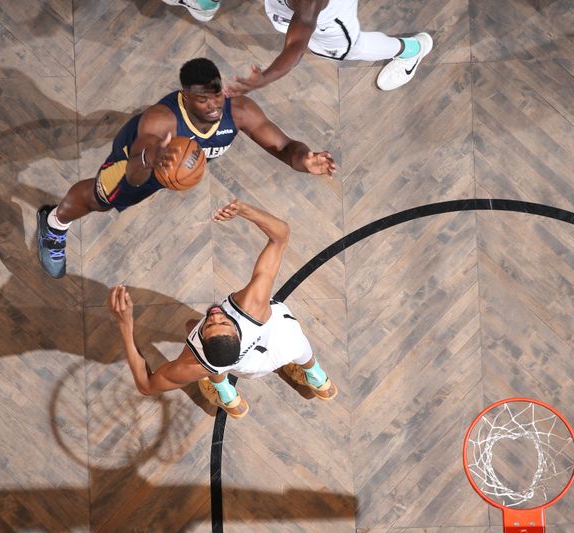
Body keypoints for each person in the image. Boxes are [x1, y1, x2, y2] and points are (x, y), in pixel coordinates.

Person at [36, 57, 335, 278]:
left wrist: (304, 159)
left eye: (216, 95)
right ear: (185, 96)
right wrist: (149, 160)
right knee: (98, 200)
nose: (213, 105)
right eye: (202, 100)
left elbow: (283, 147)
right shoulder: (159, 120)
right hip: (138, 161)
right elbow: (133, 177)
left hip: (171, 166)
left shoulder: (239, 109)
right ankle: (53, 224)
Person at [108, 199, 337, 419]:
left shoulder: (196, 363)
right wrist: (245, 210)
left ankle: (229, 397)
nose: (216, 316)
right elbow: (281, 235)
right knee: (298, 346)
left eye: (210, 325)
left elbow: (147, 386)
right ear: (236, 333)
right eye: (223, 323)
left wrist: (125, 326)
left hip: (249, 368)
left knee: (195, 335)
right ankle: (317, 378)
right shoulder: (252, 307)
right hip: (285, 345)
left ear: (202, 343)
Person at [224, 0, 432, 95]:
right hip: (293, 11)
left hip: (330, 20)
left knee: (350, 49)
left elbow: (296, 45)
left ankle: (413, 50)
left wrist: (265, 77)